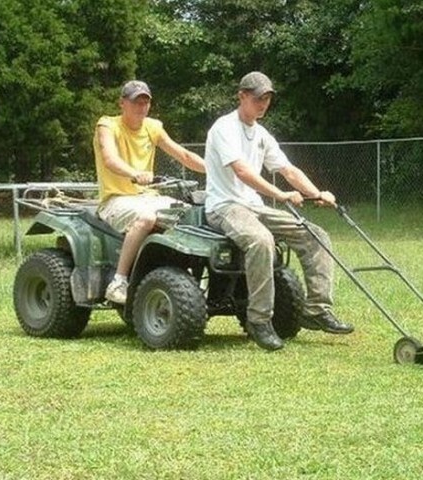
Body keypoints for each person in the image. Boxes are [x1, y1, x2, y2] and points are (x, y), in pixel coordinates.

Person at [204, 71, 354, 351]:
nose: (263, 103)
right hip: (225, 206)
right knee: (261, 241)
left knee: (315, 234)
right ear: (242, 96)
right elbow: (242, 171)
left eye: (268, 98)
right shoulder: (224, 128)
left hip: (254, 206)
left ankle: (317, 309)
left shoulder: (261, 134)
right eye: (258, 98)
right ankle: (259, 321)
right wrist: (280, 194)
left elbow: (287, 170)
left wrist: (317, 193)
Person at [94, 80, 205, 304]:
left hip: (148, 198)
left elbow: (183, 155)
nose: (141, 107)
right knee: (146, 218)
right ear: (122, 103)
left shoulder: (153, 127)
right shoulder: (107, 125)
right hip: (116, 199)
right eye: (136, 102)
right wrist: (134, 173)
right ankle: (119, 281)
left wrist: (215, 169)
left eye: (146, 102)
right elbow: (110, 159)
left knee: (194, 214)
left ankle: (196, 279)